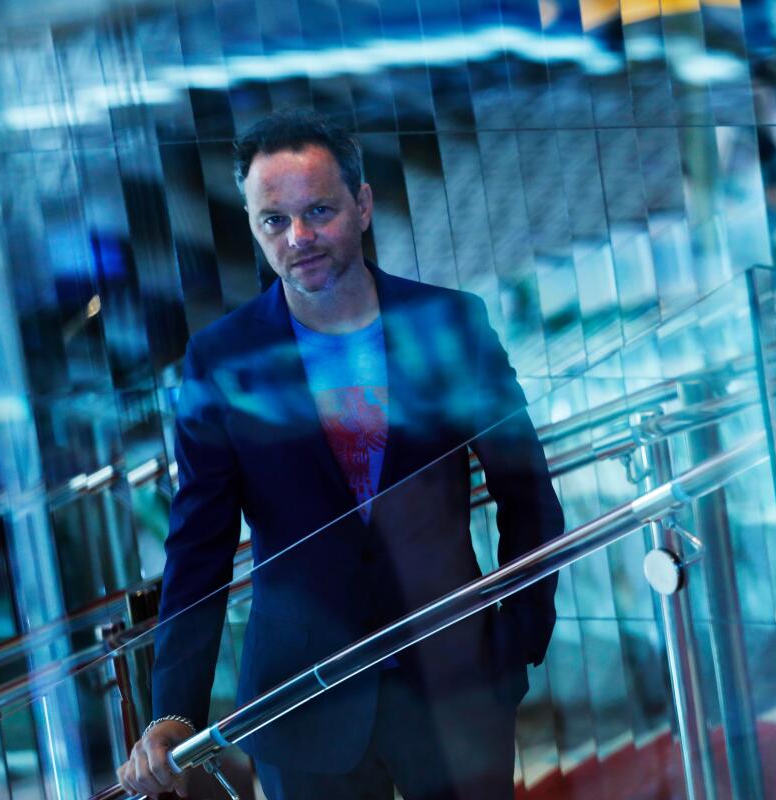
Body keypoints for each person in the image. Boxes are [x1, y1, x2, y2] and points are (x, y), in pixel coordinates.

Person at [117, 110, 563, 800]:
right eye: (273, 220)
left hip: (456, 690)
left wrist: (519, 638)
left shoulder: (448, 324)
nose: (298, 238)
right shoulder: (221, 360)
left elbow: (526, 491)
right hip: (300, 707)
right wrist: (174, 712)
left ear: (362, 205)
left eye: (318, 210)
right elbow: (198, 548)